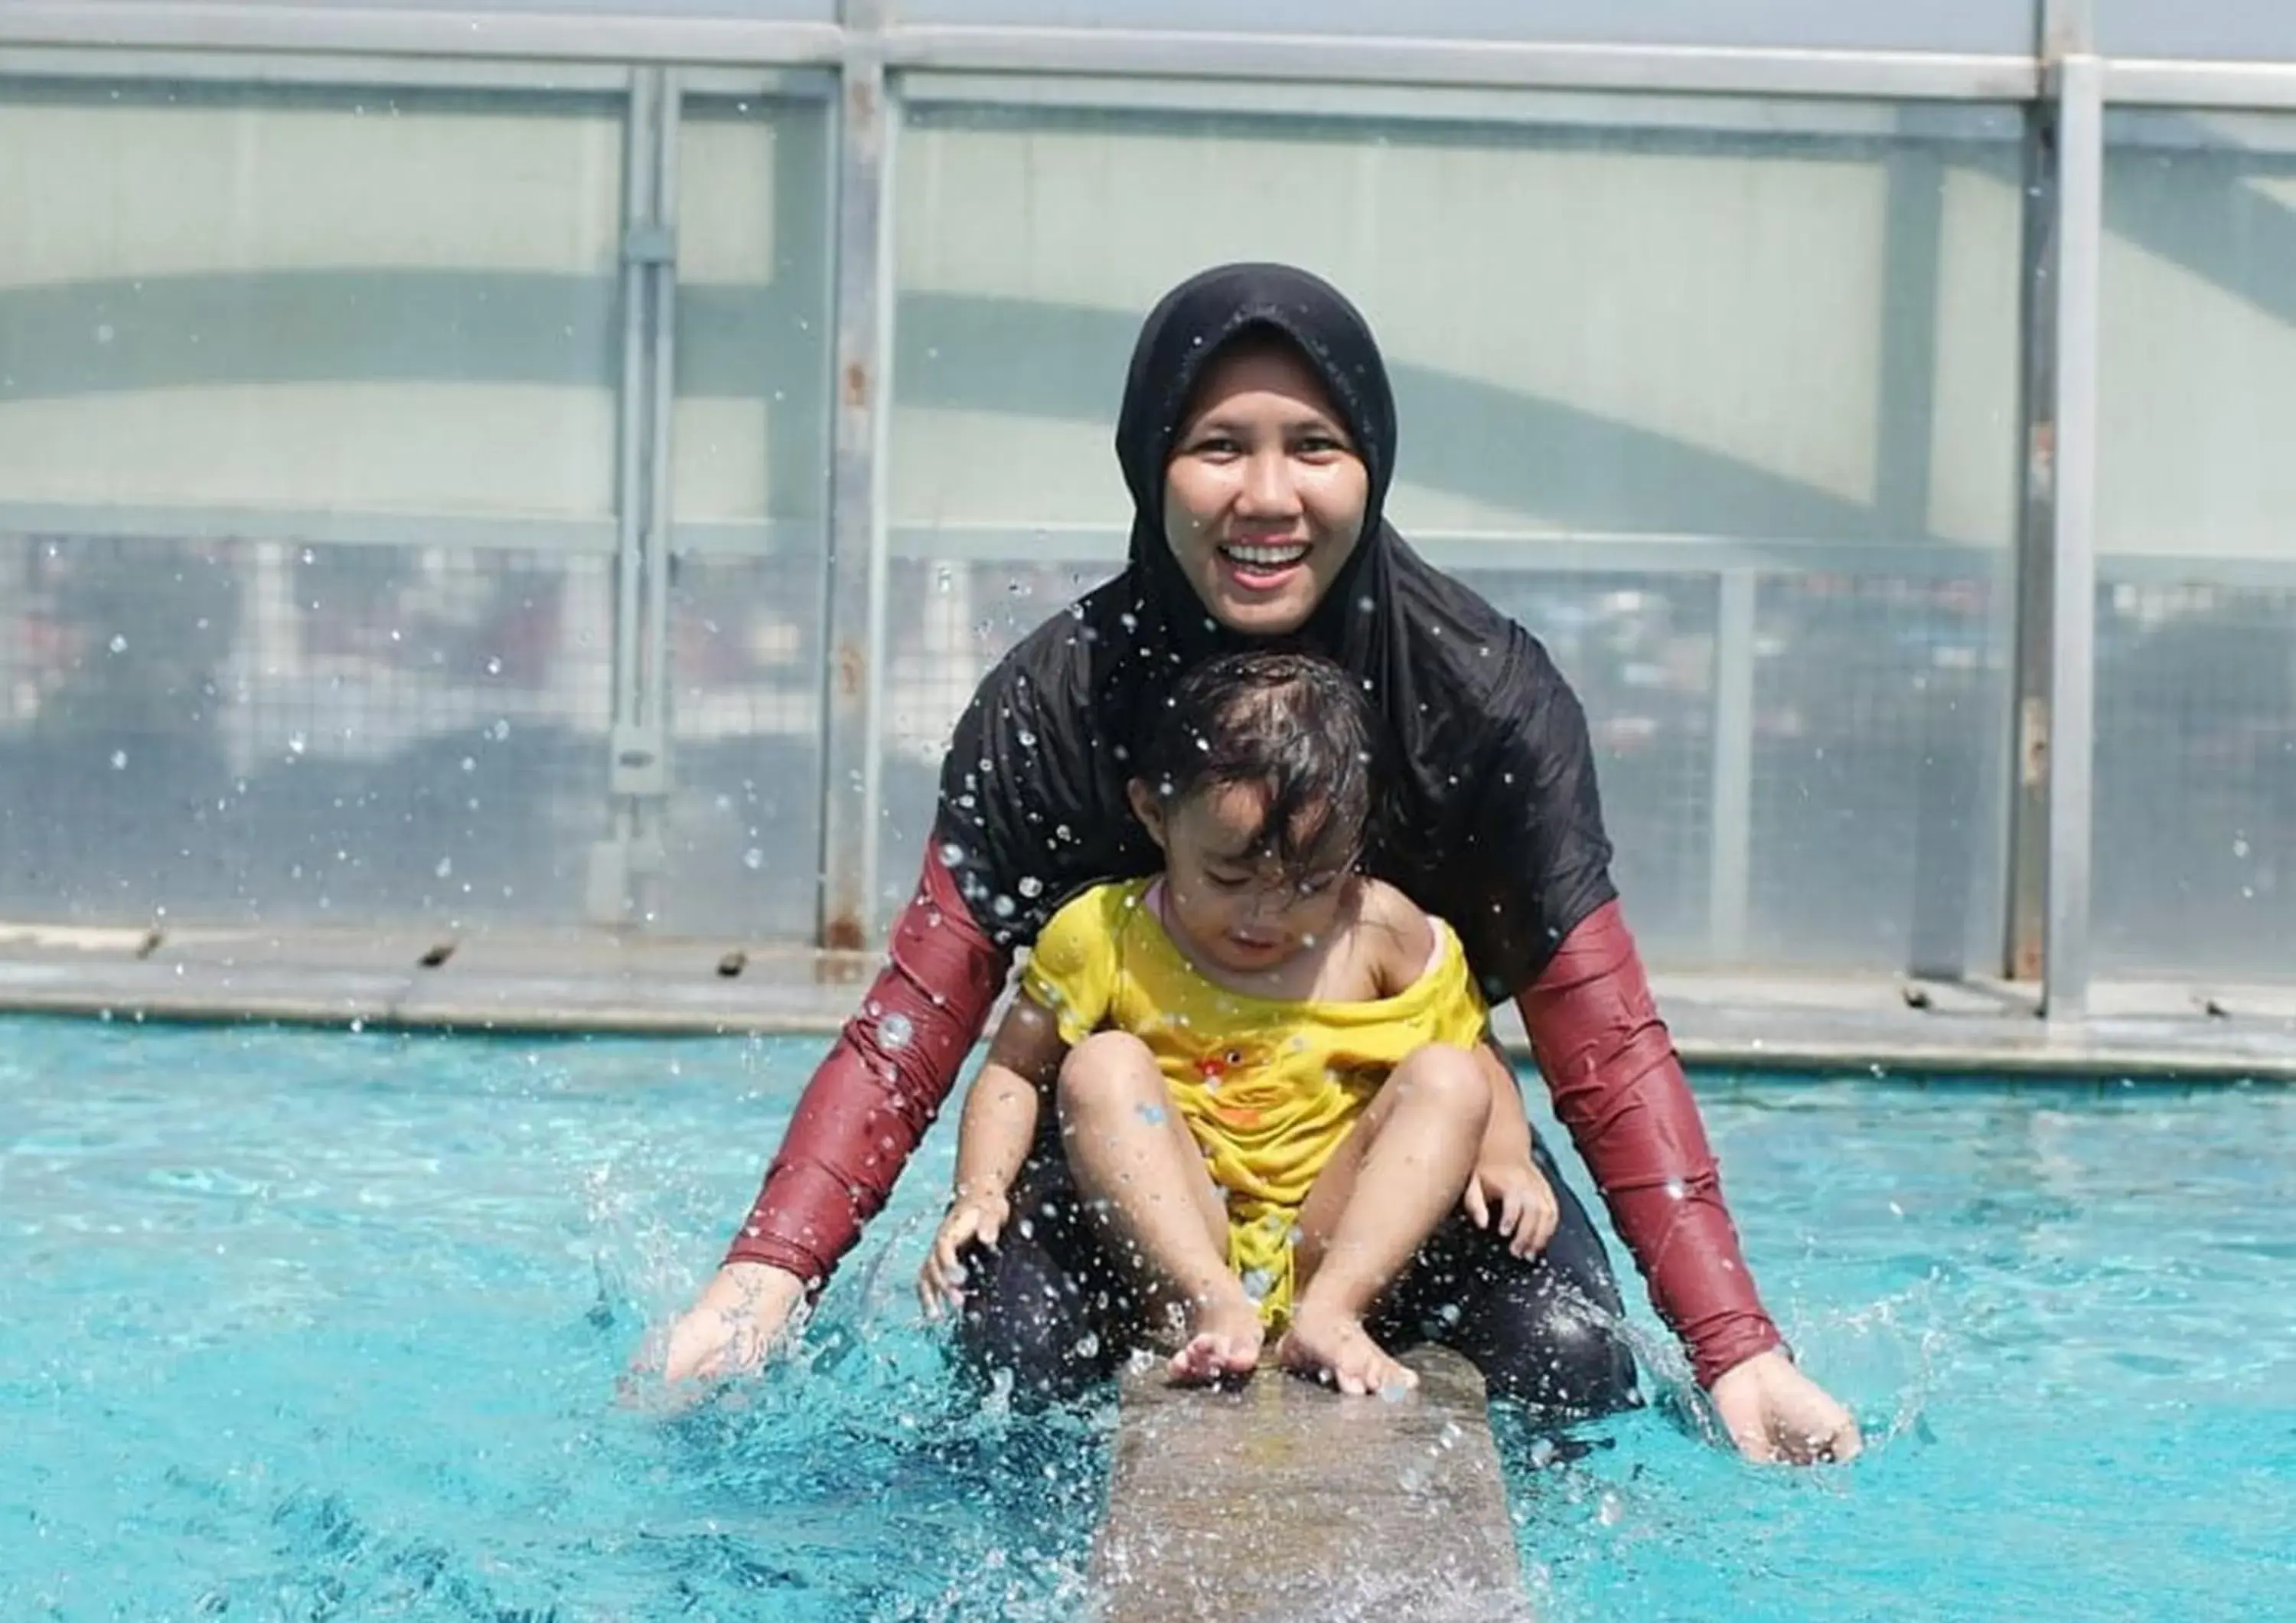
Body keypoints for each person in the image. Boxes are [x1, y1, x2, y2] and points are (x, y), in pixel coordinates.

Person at [658, 261, 1861, 1463]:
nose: (1270, 497)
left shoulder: (1484, 700)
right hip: (1133, 1167)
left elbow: (1602, 1038)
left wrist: (1736, 1346)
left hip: (1387, 1157)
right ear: (1150, 462)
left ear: (1373, 464)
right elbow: (917, 1020)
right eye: (1220, 446)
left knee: (1574, 1358)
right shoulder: (1055, 703)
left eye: (1317, 448)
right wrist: (766, 1275)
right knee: (1008, 1359)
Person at [916, 648, 1557, 1398]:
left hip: (1335, 1231)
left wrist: (1508, 1157)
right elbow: (1015, 1071)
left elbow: (1474, 1056)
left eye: (1311, 883)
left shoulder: (1382, 932)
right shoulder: (1103, 933)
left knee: (1445, 1076)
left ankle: (1332, 1316)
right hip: (1188, 1226)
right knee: (1101, 1064)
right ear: (1154, 814)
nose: (1265, 913)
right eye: (1228, 877)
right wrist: (981, 1189)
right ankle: (1203, 1303)